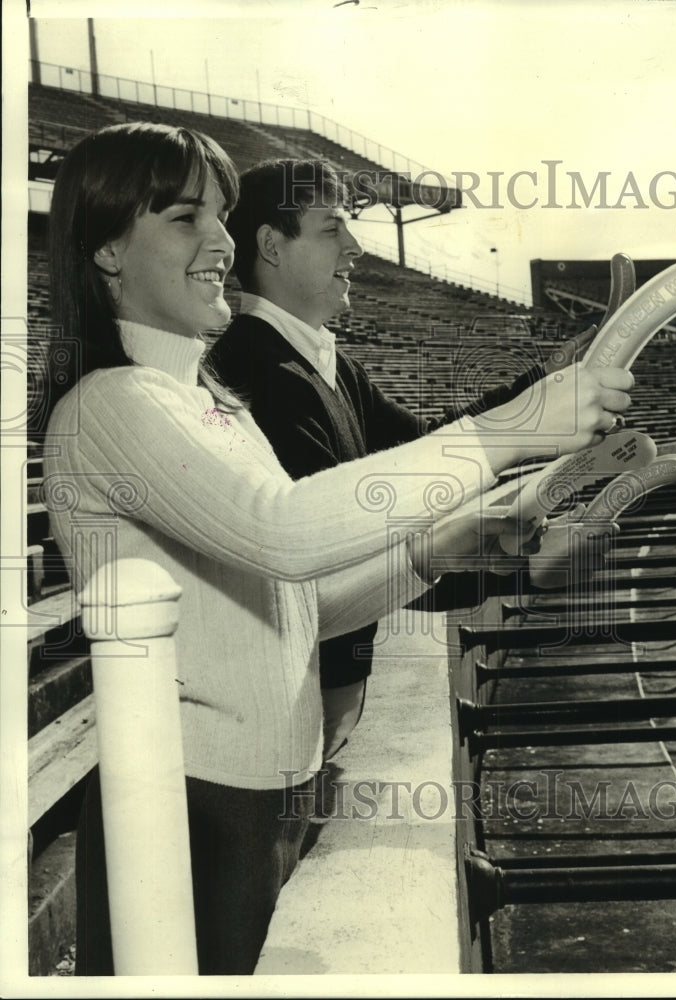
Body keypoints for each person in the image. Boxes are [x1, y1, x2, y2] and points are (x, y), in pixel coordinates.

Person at [42, 122, 632, 976]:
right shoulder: (112, 401)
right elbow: (279, 530)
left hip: (258, 791)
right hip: (188, 800)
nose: (219, 241)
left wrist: (429, 555)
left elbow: (295, 605)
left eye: (221, 215)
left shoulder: (204, 399)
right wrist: (507, 429)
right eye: (184, 217)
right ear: (106, 249)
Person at [208, 158, 602, 761]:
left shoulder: (323, 363)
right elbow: (349, 562)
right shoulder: (257, 373)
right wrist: (517, 570)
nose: (356, 246)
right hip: (279, 709)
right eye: (332, 228)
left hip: (318, 691)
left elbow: (424, 447)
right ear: (271, 246)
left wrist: (544, 381)